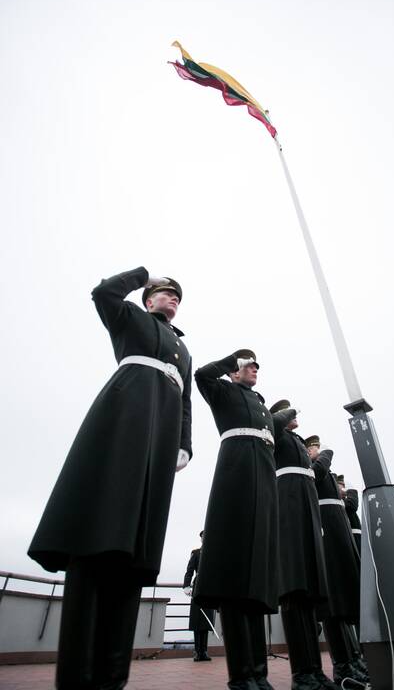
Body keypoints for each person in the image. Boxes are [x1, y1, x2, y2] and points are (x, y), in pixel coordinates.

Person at [28, 267, 192, 690]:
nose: (171, 298)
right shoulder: (127, 318)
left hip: (162, 438)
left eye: (176, 296)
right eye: (163, 293)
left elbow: (186, 400)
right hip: (124, 418)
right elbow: (102, 292)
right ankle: (77, 680)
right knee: (100, 534)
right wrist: (142, 274)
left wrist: (184, 444)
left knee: (135, 553)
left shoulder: (183, 349)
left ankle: (111, 680)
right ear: (147, 298)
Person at [194, 350, 278, 690]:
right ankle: (242, 675)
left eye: (257, 365)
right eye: (248, 364)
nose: (254, 368)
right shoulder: (223, 391)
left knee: (255, 582)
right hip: (237, 476)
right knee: (234, 577)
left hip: (264, 482)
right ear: (233, 372)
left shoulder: (259, 402)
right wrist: (234, 359)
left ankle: (258, 672)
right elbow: (200, 375)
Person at [270, 400, 339, 690]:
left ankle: (314, 671)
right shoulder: (276, 434)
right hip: (289, 513)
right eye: (289, 413)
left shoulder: (296, 441)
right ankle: (301, 673)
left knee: (309, 597)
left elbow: (317, 473)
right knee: (294, 594)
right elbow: (271, 426)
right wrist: (287, 411)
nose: (295, 416)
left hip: (307, 518)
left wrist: (325, 455)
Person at [305, 436, 367, 687]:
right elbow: (319, 475)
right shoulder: (314, 469)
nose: (316, 451)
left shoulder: (325, 471)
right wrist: (326, 453)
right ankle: (342, 664)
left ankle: (351, 660)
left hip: (337, 530)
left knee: (342, 600)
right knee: (332, 604)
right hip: (327, 531)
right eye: (312, 448)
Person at [183, 530, 215, 661]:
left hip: (209, 589)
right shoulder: (196, 553)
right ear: (201, 539)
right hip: (197, 589)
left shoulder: (213, 553)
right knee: (197, 620)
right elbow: (189, 570)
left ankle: (204, 651)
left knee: (206, 621)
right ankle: (197, 651)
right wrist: (186, 586)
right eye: (203, 537)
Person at [336, 475, 362, 556]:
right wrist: (351, 491)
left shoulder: (344, 501)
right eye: (341, 486)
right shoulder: (338, 502)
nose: (343, 489)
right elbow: (352, 505)